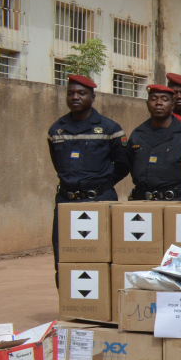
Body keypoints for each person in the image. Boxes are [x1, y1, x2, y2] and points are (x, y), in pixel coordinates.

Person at [48, 73, 129, 271]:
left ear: (92, 98)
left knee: (102, 257)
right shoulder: (57, 129)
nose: (75, 97)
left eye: (81, 93)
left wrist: (101, 185)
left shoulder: (109, 128)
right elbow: (58, 165)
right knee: (64, 259)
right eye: (71, 93)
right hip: (66, 201)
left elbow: (124, 165)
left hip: (99, 201)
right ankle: (68, 301)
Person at [127, 84, 181, 201]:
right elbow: (130, 163)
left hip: (175, 201)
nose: (159, 103)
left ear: (172, 106)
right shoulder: (137, 133)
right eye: (154, 99)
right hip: (141, 201)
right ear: (147, 104)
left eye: (164, 100)